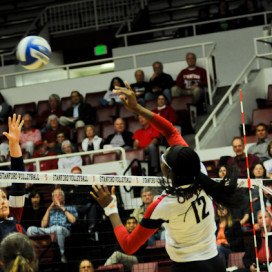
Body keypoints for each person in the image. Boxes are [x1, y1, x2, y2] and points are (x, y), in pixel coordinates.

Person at [91, 82, 245, 272]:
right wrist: (137, 107)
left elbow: (129, 246)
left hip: (188, 268)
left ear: (168, 170)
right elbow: (170, 131)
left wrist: (111, 209)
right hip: (215, 261)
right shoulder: (199, 171)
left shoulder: (163, 205)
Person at [27, 188, 78, 263]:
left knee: (58, 229)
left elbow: (73, 220)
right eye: (55, 195)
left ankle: (62, 255)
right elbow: (43, 225)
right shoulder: (50, 210)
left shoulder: (70, 208)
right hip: (50, 229)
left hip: (64, 229)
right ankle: (35, 257)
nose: (57, 197)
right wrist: (49, 209)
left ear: (63, 197)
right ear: (52, 198)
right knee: (30, 229)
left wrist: (61, 207)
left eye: (59, 195)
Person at [0, 114, 27, 241]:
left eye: (4, 197)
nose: (3, 202)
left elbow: (19, 180)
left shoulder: (13, 213)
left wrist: (14, 144)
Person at [64, 166, 97, 234]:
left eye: (78, 175)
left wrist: (74, 193)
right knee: (74, 208)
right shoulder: (67, 186)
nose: (76, 176)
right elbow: (66, 198)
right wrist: (80, 193)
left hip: (85, 206)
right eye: (74, 174)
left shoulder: (87, 184)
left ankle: (92, 227)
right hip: (72, 207)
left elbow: (90, 195)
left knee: (92, 205)